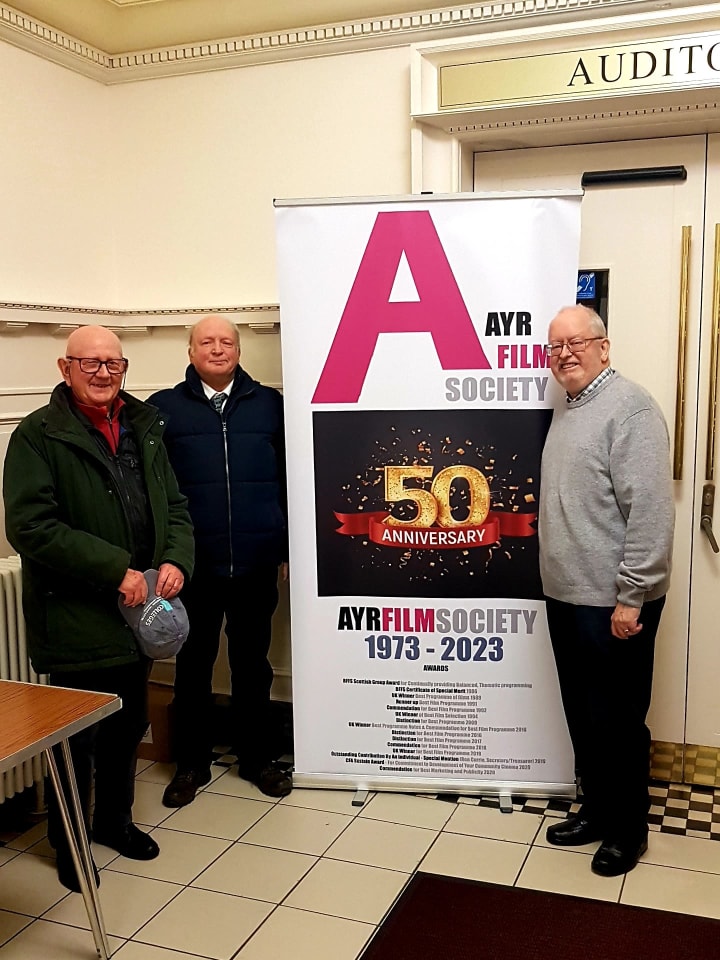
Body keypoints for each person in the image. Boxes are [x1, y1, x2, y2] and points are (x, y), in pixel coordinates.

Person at [2, 325, 194, 892]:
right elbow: (31, 527)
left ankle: (114, 822)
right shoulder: (38, 436)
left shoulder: (144, 427)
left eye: (114, 362)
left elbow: (175, 506)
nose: (104, 372)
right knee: (76, 741)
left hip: (142, 614)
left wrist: (177, 558)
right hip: (77, 616)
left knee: (127, 725)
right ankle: (68, 843)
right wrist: (116, 570)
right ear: (65, 368)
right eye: (90, 362)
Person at [538, 304, 674, 877]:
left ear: (604, 347)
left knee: (618, 721)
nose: (565, 353)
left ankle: (627, 831)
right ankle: (596, 810)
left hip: (614, 601)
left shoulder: (632, 408)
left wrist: (631, 595)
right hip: (568, 595)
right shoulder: (570, 409)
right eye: (555, 347)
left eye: (577, 342)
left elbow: (649, 511)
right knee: (583, 714)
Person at [150, 315, 290, 807]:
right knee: (194, 665)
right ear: (190, 351)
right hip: (193, 566)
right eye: (206, 342)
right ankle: (191, 762)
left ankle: (258, 759)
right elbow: (154, 494)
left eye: (226, 341)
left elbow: (291, 481)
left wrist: (287, 547)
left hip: (257, 561)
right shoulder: (162, 410)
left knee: (253, 665)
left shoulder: (270, 405)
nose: (217, 349)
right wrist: (167, 556)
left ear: (238, 350)